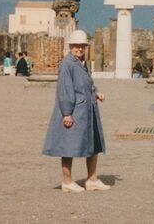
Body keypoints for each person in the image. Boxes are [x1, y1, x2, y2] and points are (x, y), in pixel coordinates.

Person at [42, 30, 109, 193]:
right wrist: (66, 113)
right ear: (71, 46)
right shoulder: (67, 64)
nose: (79, 49)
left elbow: (87, 83)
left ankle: (92, 179)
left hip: (88, 109)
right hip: (74, 110)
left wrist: (96, 92)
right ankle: (67, 181)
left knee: (93, 143)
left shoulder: (81, 62)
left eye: (82, 46)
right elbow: (65, 90)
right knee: (68, 145)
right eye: (76, 46)